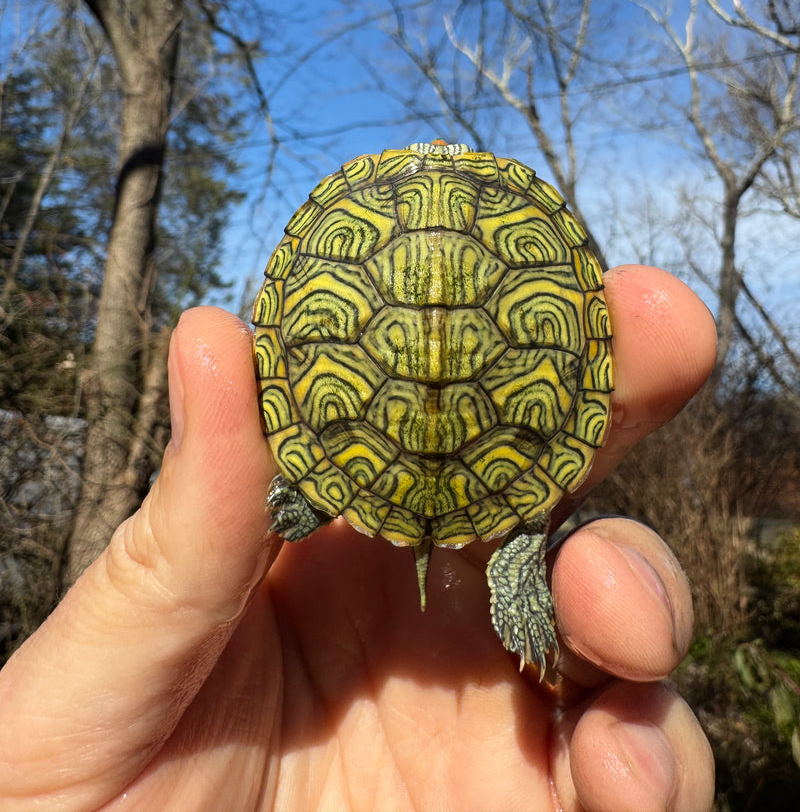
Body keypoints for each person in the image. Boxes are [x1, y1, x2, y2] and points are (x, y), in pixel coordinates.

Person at [0, 265, 716, 811]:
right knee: (540, 540)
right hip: (498, 465)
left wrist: (322, 468)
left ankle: (461, 529)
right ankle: (517, 544)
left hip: (352, 454)